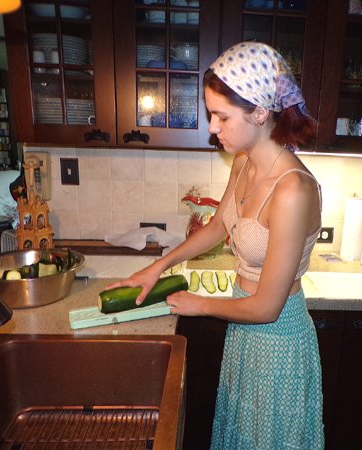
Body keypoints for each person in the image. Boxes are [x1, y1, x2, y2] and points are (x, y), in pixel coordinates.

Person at [107, 41, 324, 450]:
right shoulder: (244, 162)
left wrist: (199, 304)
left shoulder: (293, 189)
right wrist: (159, 266)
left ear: (260, 112)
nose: (211, 127)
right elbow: (216, 230)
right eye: (212, 115)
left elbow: (266, 307)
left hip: (278, 340)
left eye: (221, 116)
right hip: (244, 332)